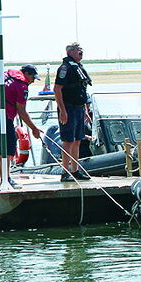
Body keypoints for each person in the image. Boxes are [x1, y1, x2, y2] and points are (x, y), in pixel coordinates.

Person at [0, 64, 43, 187]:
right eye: (33, 77)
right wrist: (34, 129)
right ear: (26, 74)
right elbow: (22, 111)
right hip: (3, 118)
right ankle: (7, 179)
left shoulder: (7, 74)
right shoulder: (22, 86)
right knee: (8, 148)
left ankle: (4, 178)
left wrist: (4, 95)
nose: (33, 81)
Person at [54, 42, 93, 182]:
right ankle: (65, 172)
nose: (81, 52)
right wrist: (62, 111)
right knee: (68, 140)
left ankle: (75, 171)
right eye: (78, 50)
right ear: (70, 52)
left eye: (81, 49)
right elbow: (57, 89)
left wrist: (85, 111)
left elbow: (81, 90)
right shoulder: (65, 68)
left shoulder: (78, 67)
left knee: (77, 139)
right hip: (68, 107)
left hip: (78, 107)